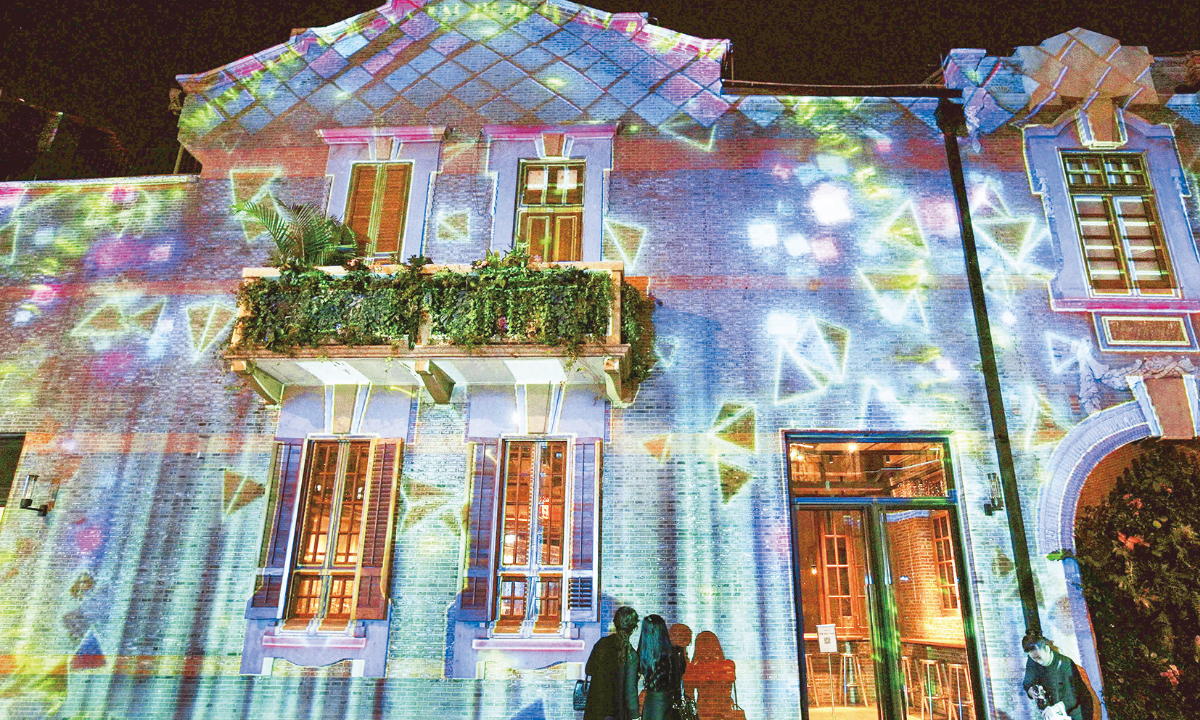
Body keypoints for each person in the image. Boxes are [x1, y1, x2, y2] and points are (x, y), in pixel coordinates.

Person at [1021, 631, 1094, 720]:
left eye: (1039, 657)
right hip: (1055, 712)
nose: (1037, 661)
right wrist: (1031, 690)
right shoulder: (1033, 659)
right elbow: (1028, 682)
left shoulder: (1065, 664)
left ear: (1047, 649)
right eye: (1033, 658)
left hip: (1078, 711)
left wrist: (1054, 709)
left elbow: (1072, 698)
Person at [585, 606, 641, 720]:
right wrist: (635, 715)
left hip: (595, 709)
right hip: (617, 712)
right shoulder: (630, 655)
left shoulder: (601, 644)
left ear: (615, 623)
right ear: (633, 628)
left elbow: (589, 669)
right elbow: (630, 692)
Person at [638, 615, 687, 720]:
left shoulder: (644, 656)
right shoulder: (676, 653)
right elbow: (680, 673)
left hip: (652, 703)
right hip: (671, 702)